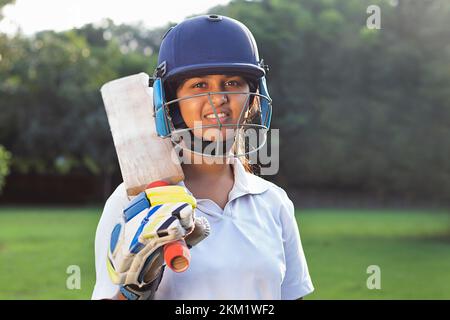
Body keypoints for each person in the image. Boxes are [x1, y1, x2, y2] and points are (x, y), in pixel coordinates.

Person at [92, 14, 314, 300]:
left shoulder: (273, 202)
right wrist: (133, 288)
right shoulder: (132, 203)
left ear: (253, 97)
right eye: (199, 85)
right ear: (169, 104)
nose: (217, 98)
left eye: (232, 82)